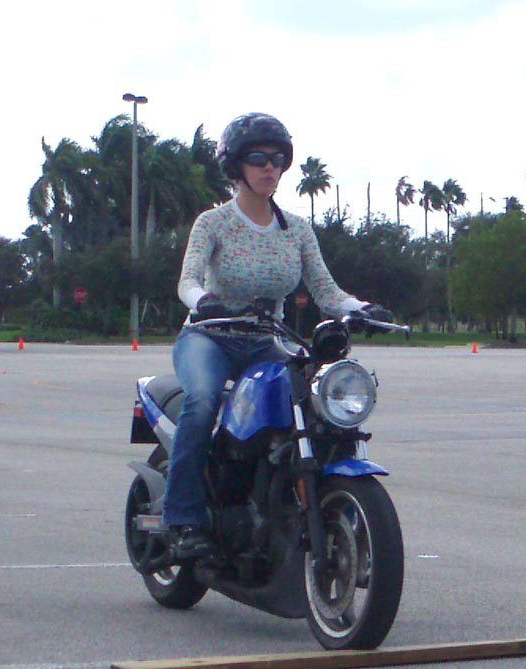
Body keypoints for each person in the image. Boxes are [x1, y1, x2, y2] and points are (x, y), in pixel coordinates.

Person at [164, 112, 390, 559]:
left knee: (314, 405)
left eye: (278, 159)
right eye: (258, 158)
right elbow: (187, 281)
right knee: (203, 400)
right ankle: (183, 519)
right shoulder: (213, 222)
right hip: (210, 337)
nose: (270, 167)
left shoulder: (297, 229)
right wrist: (203, 301)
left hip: (267, 341)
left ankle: (292, 504)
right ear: (235, 166)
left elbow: (326, 291)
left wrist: (362, 308)